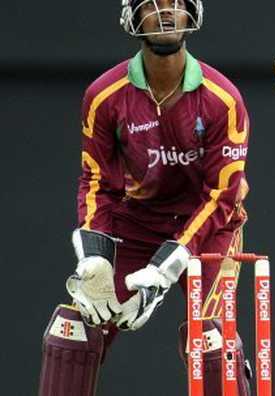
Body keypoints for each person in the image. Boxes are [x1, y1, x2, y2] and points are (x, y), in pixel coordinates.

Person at [38, 1, 252, 395]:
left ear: (193, 14)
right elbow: (97, 181)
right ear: (132, 16)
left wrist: (167, 265)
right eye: (153, 4)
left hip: (209, 230)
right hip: (136, 224)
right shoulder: (105, 96)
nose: (165, 12)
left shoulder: (223, 99)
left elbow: (222, 195)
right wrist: (96, 256)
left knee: (210, 339)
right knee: (72, 332)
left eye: (176, 4)